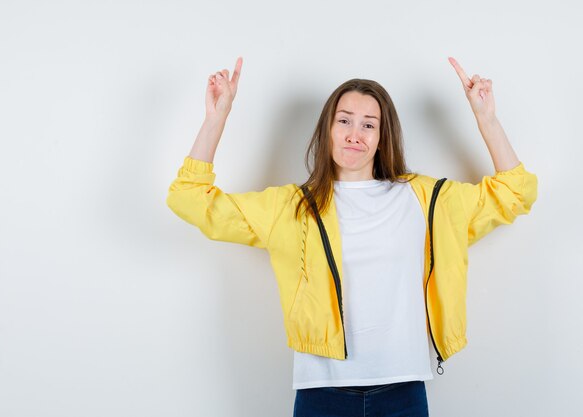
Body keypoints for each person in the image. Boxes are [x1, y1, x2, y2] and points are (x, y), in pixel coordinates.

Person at [166, 56, 538, 417]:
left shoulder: (426, 201)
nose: (354, 134)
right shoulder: (293, 207)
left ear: (382, 137)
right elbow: (189, 200)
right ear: (327, 129)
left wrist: (486, 119)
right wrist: (216, 120)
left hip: (404, 390)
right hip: (321, 394)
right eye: (344, 120)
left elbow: (515, 193)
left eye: (368, 125)